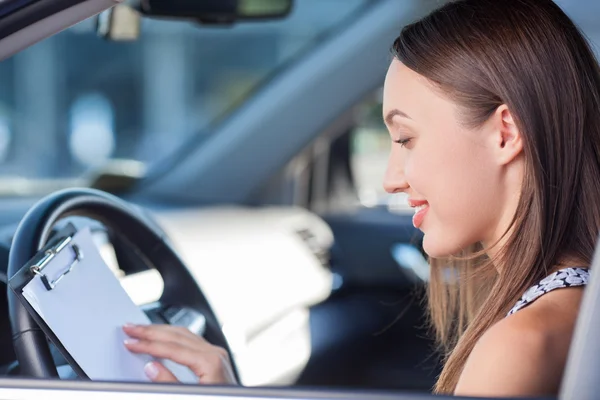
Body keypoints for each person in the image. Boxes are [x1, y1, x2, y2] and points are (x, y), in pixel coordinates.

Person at [122, 0, 600, 396]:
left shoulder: (519, 346)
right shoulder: (575, 308)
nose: (391, 179)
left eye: (407, 139)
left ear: (505, 132)